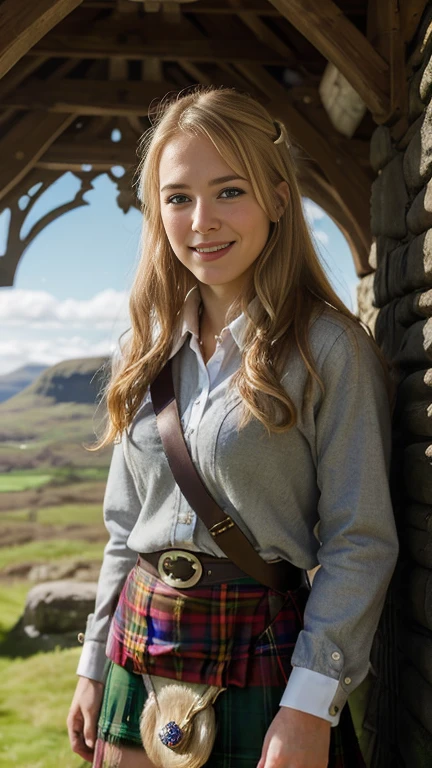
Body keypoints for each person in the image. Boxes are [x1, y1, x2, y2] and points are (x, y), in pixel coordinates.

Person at [67, 85, 399, 768]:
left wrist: (310, 703)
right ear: (157, 212)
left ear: (279, 198)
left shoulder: (330, 352)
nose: (201, 221)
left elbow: (359, 541)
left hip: (264, 655)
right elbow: (125, 529)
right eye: (178, 197)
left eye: (229, 191)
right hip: (140, 641)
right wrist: (93, 664)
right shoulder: (143, 350)